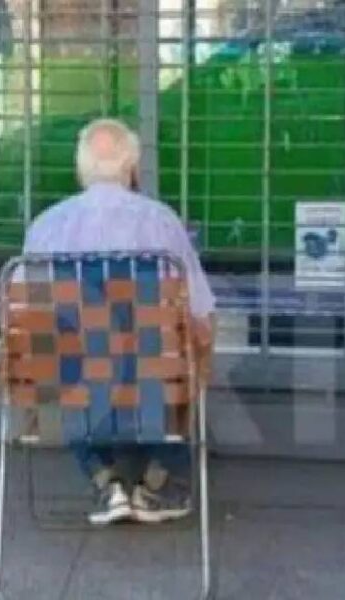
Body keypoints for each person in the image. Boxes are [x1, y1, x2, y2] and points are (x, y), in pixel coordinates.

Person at [22, 118, 216, 526]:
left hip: (75, 393)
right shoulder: (161, 222)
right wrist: (199, 365)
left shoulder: (46, 227)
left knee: (61, 358)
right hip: (153, 388)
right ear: (133, 168)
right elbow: (201, 312)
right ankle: (162, 482)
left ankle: (104, 480)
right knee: (183, 350)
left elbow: (27, 322)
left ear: (81, 168)